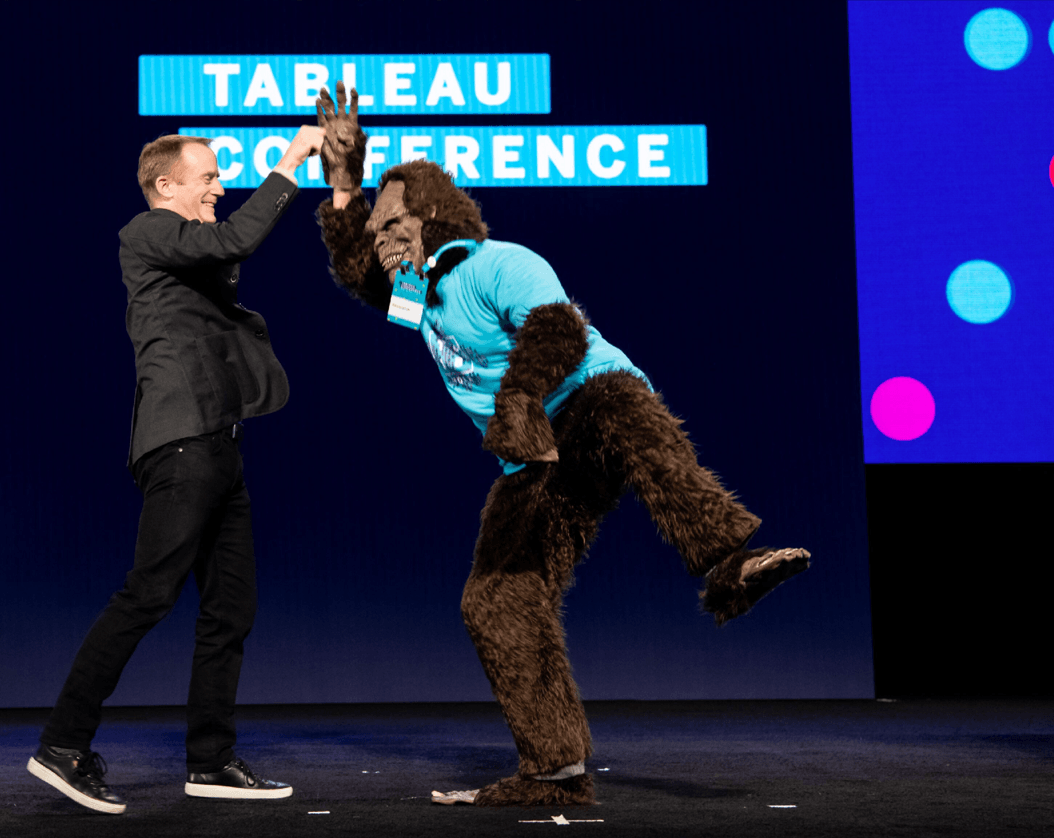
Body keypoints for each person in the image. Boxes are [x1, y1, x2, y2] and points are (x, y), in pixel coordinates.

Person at [314, 84, 809, 806]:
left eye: (393, 224)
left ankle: (732, 562)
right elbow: (359, 275)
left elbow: (559, 330)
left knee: (630, 420)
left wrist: (518, 402)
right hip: (534, 459)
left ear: (432, 217)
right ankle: (553, 771)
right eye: (378, 227)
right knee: (495, 599)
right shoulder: (416, 295)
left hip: (583, 403)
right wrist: (344, 184)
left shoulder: (496, 262)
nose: (381, 238)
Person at [27, 126, 324, 814]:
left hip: (218, 444)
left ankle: (210, 760)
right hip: (181, 442)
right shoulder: (145, 231)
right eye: (209, 177)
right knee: (148, 594)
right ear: (167, 187)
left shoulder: (190, 251)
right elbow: (235, 240)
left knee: (231, 608)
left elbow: (223, 259)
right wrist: (289, 162)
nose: (219, 188)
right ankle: (63, 745)